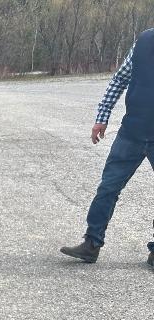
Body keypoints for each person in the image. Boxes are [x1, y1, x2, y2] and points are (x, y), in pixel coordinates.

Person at [61, 29, 154, 268]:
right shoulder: (144, 41)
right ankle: (91, 244)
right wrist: (102, 117)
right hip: (132, 131)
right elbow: (120, 79)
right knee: (108, 188)